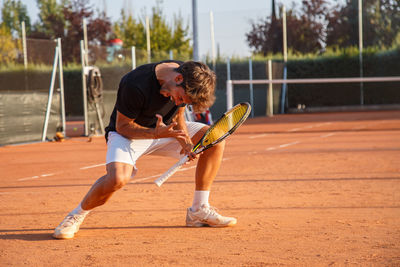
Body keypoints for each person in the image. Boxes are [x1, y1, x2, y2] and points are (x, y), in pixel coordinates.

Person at [53, 60, 237, 239]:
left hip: (165, 131)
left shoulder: (184, 76)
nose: (179, 102)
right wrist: (156, 133)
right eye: (180, 98)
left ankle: (198, 210)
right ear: (178, 78)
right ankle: (76, 215)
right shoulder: (135, 84)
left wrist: (186, 142)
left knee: (214, 139)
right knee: (117, 179)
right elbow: (122, 126)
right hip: (128, 134)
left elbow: (178, 116)